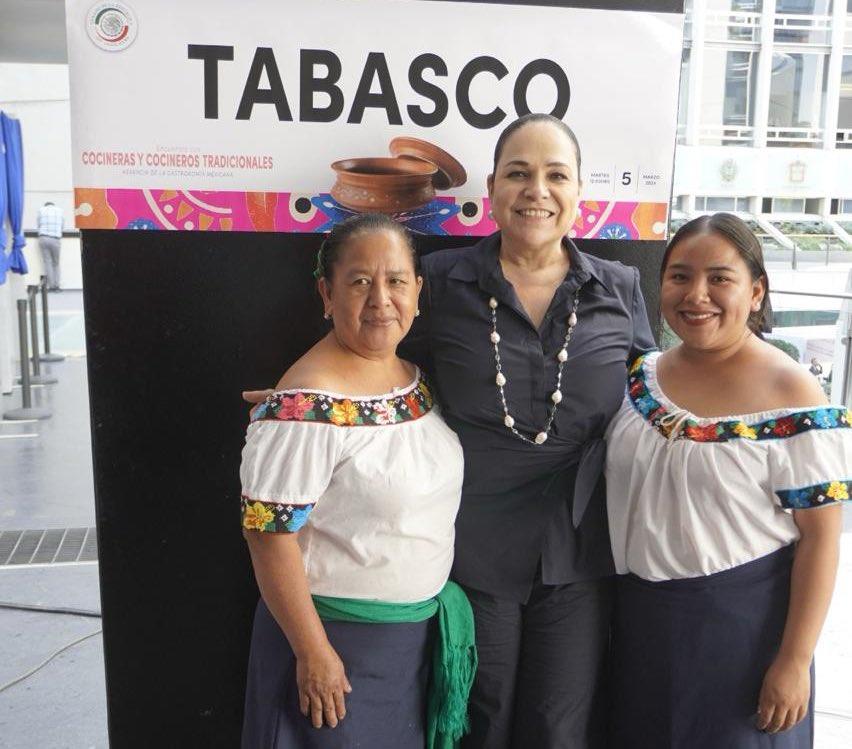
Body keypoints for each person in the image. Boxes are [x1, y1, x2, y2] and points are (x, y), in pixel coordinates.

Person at [245, 113, 655, 748]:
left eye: (555, 175)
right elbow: (379, 348)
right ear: (492, 187)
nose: (536, 191)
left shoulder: (621, 288)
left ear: (581, 191)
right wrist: (304, 406)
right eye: (518, 173)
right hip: (474, 549)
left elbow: (652, 397)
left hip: (580, 552)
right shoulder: (441, 280)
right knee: (474, 721)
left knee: (560, 730)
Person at [606, 213, 850, 748]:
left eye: (720, 278)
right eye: (679, 276)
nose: (697, 295)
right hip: (639, 629)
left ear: (757, 291)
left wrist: (794, 660)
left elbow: (822, 538)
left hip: (741, 638)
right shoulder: (640, 377)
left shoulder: (792, 391)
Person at [239, 213, 475, 749]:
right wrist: (313, 652)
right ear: (327, 293)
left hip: (408, 648)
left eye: (395, 281)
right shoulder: (304, 404)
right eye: (360, 281)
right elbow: (267, 536)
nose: (380, 299)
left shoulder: (413, 377)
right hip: (334, 649)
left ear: (417, 291)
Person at [37, 201, 64, 291]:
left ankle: (51, 286)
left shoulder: (41, 210)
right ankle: (57, 285)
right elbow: (62, 226)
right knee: (56, 263)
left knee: (47, 262)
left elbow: (38, 225)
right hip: (56, 238)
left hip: (43, 238)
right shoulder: (60, 211)